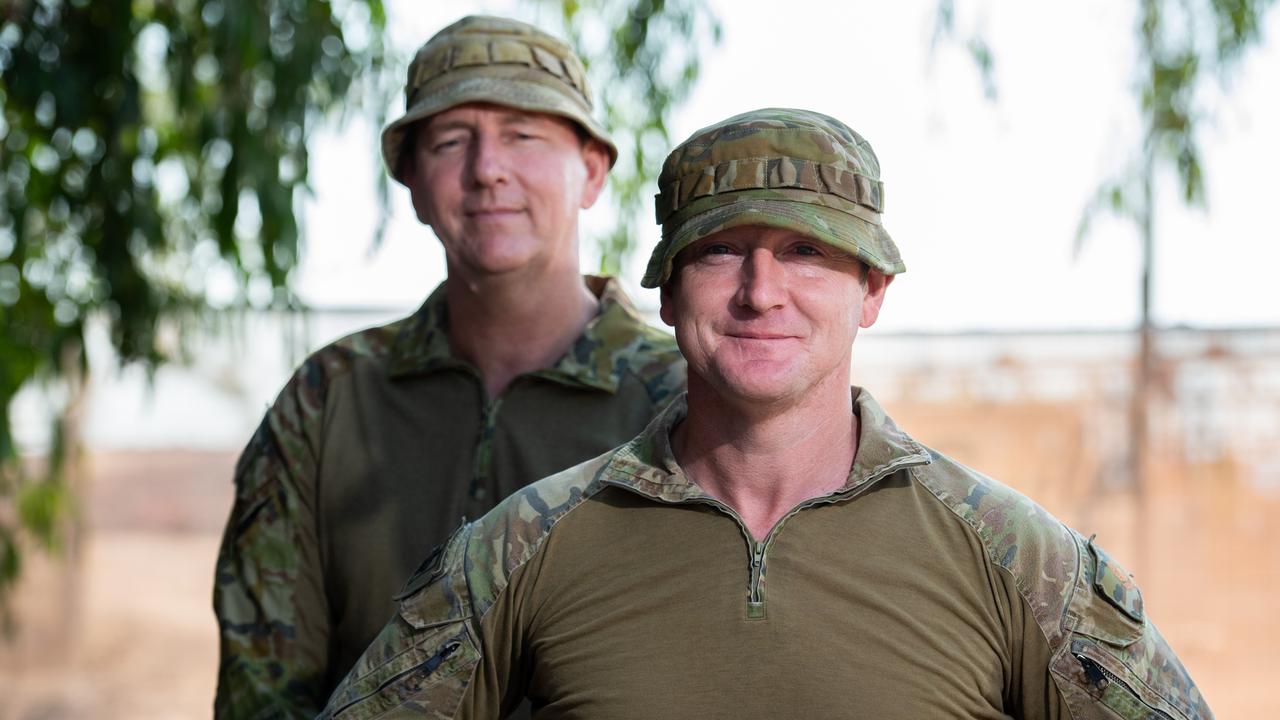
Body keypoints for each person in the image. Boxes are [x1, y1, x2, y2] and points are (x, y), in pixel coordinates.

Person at [317, 109, 1212, 719]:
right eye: (721, 252)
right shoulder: (520, 550)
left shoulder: (1019, 561)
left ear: (872, 292)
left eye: (805, 251)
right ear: (667, 294)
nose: (761, 292)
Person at [212, 16, 686, 719]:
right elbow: (264, 694)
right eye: (450, 141)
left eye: (523, 135)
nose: (487, 168)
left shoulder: (685, 402)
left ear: (591, 171)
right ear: (410, 180)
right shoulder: (330, 399)